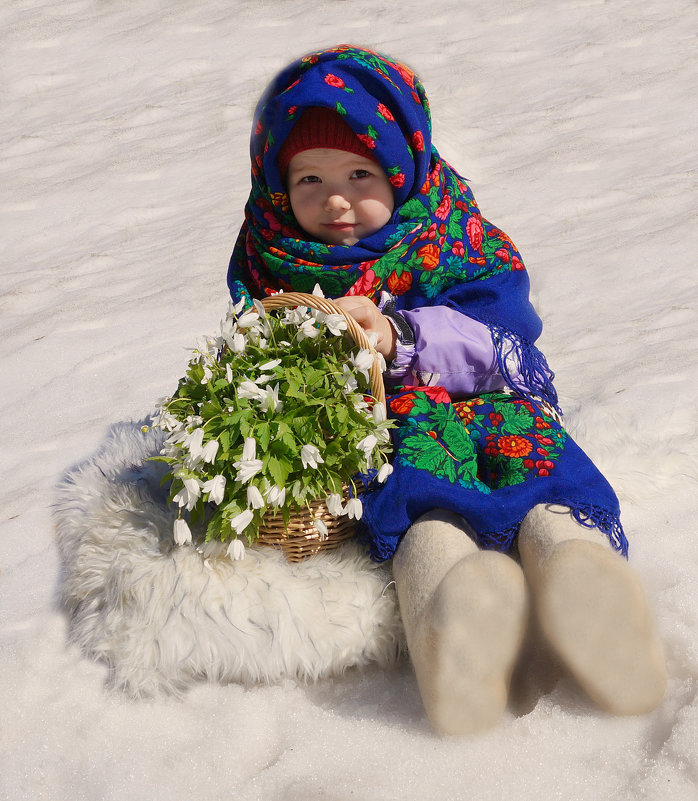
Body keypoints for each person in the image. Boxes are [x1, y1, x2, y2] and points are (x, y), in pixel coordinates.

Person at [227, 45, 666, 735]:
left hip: (490, 404)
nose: (334, 199)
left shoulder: (447, 229)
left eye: (360, 174)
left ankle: (584, 587)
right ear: (278, 184)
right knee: (421, 518)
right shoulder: (269, 253)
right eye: (308, 177)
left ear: (401, 172)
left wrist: (401, 337)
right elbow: (253, 352)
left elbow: (505, 334)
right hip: (388, 434)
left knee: (544, 491)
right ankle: (457, 625)